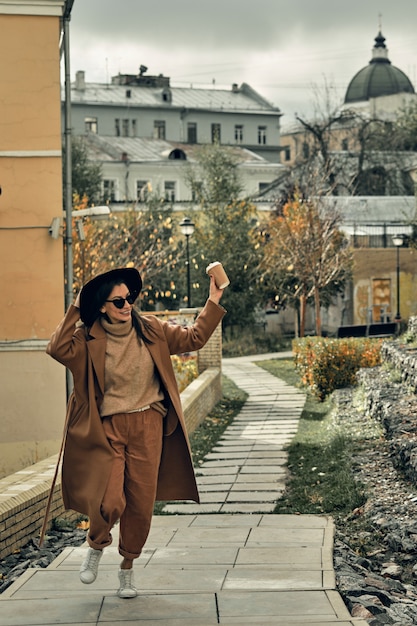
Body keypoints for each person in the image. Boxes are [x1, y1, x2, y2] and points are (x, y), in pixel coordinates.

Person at [46, 266, 225, 598]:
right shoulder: (87, 340)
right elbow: (56, 349)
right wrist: (75, 308)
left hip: (148, 425)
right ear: (101, 306)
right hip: (108, 429)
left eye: (129, 298)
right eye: (118, 301)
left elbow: (194, 338)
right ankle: (96, 547)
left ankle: (127, 567)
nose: (126, 305)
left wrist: (213, 300)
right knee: (109, 500)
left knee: (141, 504)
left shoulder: (152, 329)